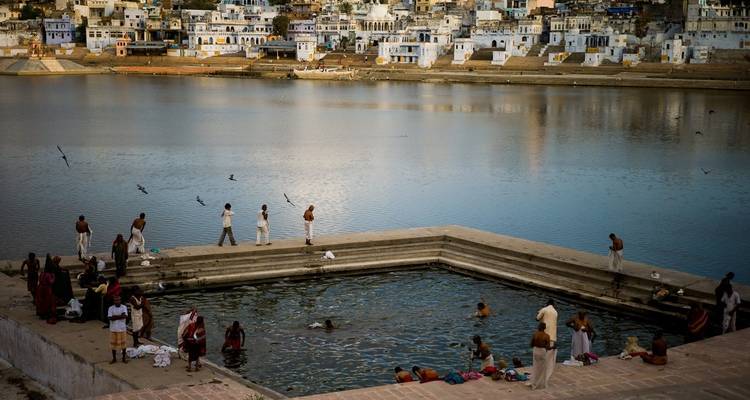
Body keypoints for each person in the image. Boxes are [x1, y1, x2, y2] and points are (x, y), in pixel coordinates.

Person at [536, 299, 558, 383]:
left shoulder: (544, 309)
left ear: (547, 303)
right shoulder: (556, 312)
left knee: (541, 355)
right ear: (553, 304)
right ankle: (547, 375)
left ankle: (540, 374)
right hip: (552, 336)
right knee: (549, 358)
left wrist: (538, 312)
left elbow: (537, 318)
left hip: (543, 335)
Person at [529, 322, 552, 390]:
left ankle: (534, 383)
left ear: (538, 327)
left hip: (535, 350)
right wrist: (553, 347)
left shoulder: (535, 334)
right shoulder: (547, 336)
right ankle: (541, 384)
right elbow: (548, 347)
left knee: (535, 367)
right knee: (542, 368)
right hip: (542, 351)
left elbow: (531, 345)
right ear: (544, 328)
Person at [35, 254, 57, 323]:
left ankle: (41, 312)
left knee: (41, 301)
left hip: (40, 288)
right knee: (47, 301)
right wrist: (53, 276)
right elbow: (51, 282)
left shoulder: (42, 273)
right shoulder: (48, 275)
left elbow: (39, 280)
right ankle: (45, 313)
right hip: (46, 289)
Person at [108, 296, 129, 364]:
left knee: (124, 345)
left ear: (120, 300)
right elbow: (110, 318)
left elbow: (125, 316)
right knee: (113, 345)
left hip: (122, 328)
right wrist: (120, 316)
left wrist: (115, 317)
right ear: (113, 301)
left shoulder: (124, 307)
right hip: (113, 329)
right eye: (115, 300)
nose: (117, 301)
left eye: (118, 300)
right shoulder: (111, 308)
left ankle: (123, 358)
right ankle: (114, 358)